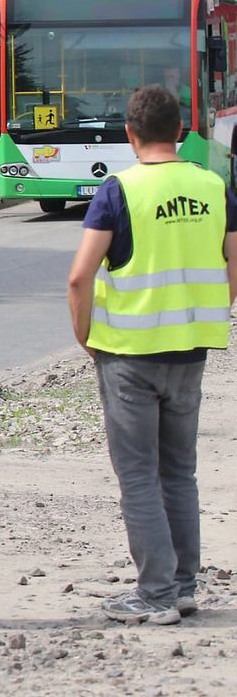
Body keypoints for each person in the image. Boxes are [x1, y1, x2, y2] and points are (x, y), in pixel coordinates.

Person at [67, 85, 237, 625]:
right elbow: (234, 261)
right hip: (190, 351)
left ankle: (157, 594)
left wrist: (85, 335)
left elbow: (79, 276)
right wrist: (208, 306)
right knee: (179, 472)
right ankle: (183, 586)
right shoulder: (213, 185)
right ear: (182, 130)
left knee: (138, 475)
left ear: (130, 134)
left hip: (129, 355)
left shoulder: (119, 191)